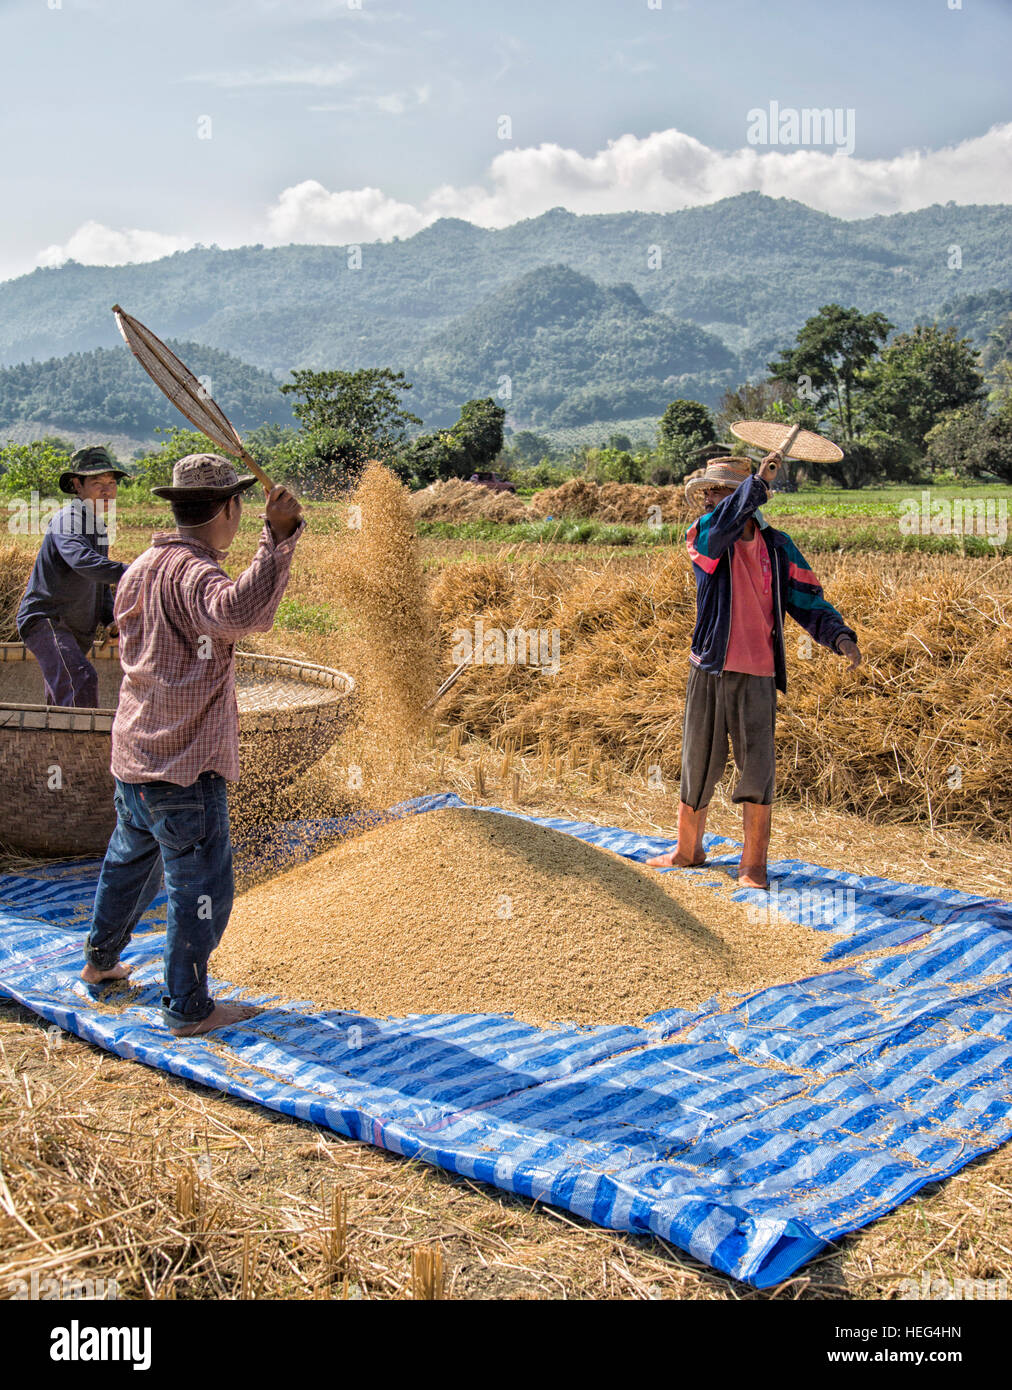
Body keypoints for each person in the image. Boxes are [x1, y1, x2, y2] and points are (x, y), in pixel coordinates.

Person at [80, 453, 305, 1037]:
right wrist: (277, 539)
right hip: (184, 769)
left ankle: (101, 963)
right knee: (200, 889)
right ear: (229, 509)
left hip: (134, 757)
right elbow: (238, 615)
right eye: (240, 510)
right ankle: (188, 1008)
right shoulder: (197, 574)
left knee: (129, 861)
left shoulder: (142, 567)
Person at [647, 452, 861, 889]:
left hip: (759, 673)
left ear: (740, 495)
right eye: (709, 490)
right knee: (698, 762)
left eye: (719, 489)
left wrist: (838, 635)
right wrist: (755, 486)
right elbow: (721, 529)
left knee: (757, 768)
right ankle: (688, 850)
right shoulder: (702, 535)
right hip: (710, 667)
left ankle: (753, 864)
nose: (710, 496)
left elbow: (807, 597)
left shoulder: (778, 547)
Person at [16, 446, 130, 707]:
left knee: (63, 698)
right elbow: (83, 562)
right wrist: (135, 570)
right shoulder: (68, 520)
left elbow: (100, 585)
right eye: (97, 483)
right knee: (80, 680)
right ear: (77, 485)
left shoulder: (98, 528)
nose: (107, 491)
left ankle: (55, 747)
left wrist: (111, 619)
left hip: (75, 630)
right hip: (48, 620)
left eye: (111, 483)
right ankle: (82, 747)